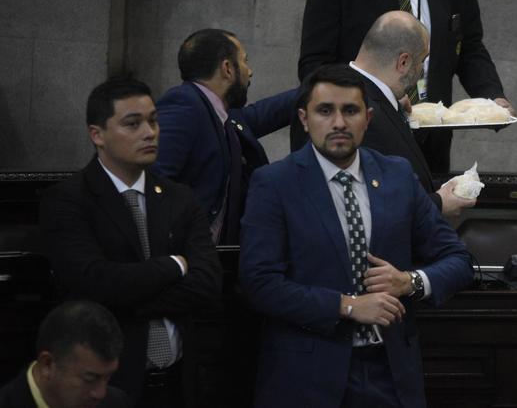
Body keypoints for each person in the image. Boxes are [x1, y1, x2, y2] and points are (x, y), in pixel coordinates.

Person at [239, 64, 473, 408]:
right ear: (304, 119)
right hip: (307, 376)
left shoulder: (396, 175)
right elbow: (259, 283)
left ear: (368, 118)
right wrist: (347, 306)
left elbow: (459, 260)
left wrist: (410, 282)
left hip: (391, 374)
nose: (338, 123)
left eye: (350, 111)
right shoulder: (275, 184)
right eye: (325, 111)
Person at [296, 0, 513, 175]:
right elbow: (314, 65)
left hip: (429, 145)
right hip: (362, 139)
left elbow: (470, 48)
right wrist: (375, 98)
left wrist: (493, 99)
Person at [40, 78, 223, 407]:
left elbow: (207, 283)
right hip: (107, 387)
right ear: (97, 134)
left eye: (153, 121)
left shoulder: (179, 198)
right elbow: (92, 283)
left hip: (180, 382)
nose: (149, 132)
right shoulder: (68, 200)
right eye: (133, 123)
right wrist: (173, 265)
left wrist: (124, 300)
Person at [152, 29, 298, 244]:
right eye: (245, 61)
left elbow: (267, 112)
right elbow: (154, 183)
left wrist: (320, 86)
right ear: (228, 69)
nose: (250, 72)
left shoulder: (220, 114)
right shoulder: (185, 104)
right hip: (186, 262)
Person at [351, 11, 476, 216]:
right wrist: (437, 203)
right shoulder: (362, 112)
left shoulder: (373, 99)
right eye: (422, 61)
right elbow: (377, 202)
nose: (421, 71)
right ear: (403, 62)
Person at [0, 300, 129, 408]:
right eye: (90, 379)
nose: (101, 393)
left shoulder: (117, 403)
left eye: (108, 377)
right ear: (47, 364)